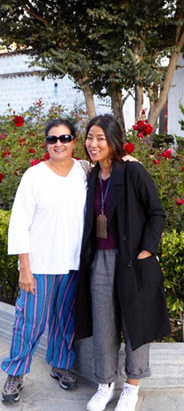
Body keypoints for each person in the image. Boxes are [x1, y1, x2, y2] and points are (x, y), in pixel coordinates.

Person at [75, 114, 170, 411]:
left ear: (114, 140)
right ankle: (105, 383)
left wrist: (147, 250)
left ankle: (132, 386)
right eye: (90, 137)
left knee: (134, 323)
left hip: (131, 260)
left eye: (101, 138)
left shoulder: (132, 172)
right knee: (103, 323)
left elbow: (157, 212)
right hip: (100, 261)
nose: (93, 144)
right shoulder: (91, 176)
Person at [1, 119, 86, 403]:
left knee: (66, 320)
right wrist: (24, 267)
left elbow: (113, 164)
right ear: (46, 144)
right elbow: (19, 223)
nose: (59, 143)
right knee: (30, 322)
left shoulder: (84, 172)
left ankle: (61, 365)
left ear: (75, 141)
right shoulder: (34, 176)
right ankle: (15, 372)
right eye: (52, 139)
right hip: (39, 266)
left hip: (73, 263)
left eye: (65, 138)